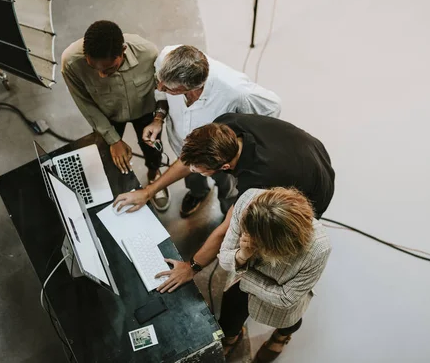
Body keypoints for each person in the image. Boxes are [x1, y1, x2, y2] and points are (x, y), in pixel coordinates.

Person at [113, 113, 335, 292]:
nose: (189, 171)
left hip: (312, 188)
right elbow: (187, 160)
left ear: (224, 168)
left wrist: (191, 268)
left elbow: (225, 230)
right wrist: (148, 191)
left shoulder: (256, 183)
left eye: (196, 170)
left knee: (264, 230)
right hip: (306, 148)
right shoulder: (224, 127)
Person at [140, 45, 281, 215]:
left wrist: (230, 143)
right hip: (181, 146)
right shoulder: (166, 58)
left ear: (192, 87)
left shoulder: (236, 92)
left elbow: (272, 109)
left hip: (219, 160)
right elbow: (160, 90)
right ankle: (198, 193)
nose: (161, 88)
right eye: (159, 80)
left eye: (169, 89)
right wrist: (158, 118)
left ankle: (228, 211)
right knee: (192, 177)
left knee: (228, 189)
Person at [60, 20, 169, 208]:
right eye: (94, 69)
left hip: (144, 111)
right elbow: (85, 102)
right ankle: (117, 187)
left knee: (152, 149)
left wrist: (158, 118)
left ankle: (154, 174)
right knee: (107, 154)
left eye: (109, 68)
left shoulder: (148, 53)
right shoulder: (71, 63)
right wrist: (113, 140)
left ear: (123, 50)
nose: (101, 75)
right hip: (105, 115)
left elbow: (163, 88)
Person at [217, 187, 331, 362]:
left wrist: (242, 272)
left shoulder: (318, 248)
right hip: (242, 282)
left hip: (278, 297)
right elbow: (225, 260)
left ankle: (281, 336)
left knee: (290, 322)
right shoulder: (248, 201)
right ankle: (231, 338)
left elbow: (286, 298)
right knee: (228, 318)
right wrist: (242, 255)